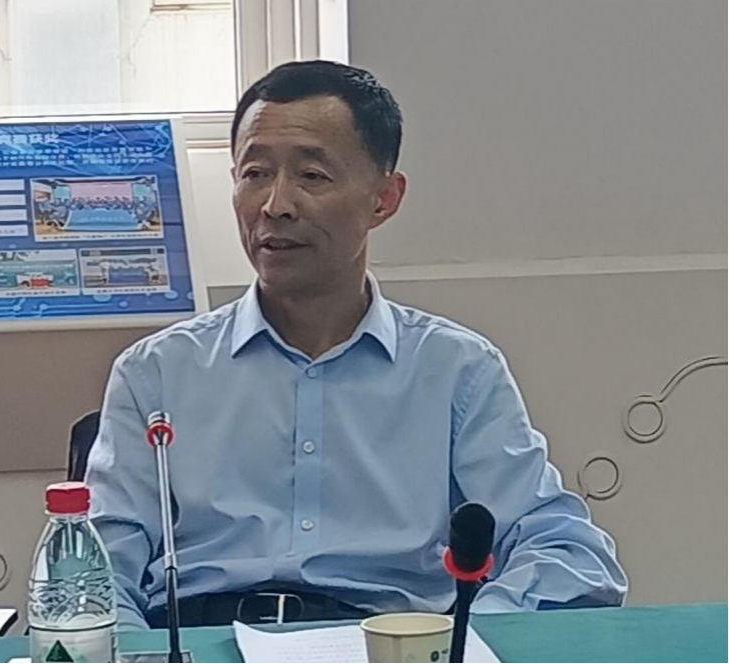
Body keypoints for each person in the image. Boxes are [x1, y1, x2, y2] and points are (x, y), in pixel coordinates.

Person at [86, 60, 627, 631]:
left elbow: (570, 554)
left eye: (312, 176)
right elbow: (94, 574)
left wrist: (460, 641)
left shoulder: (456, 371)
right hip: (204, 639)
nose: (275, 205)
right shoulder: (158, 372)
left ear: (383, 199)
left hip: (389, 642)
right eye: (255, 174)